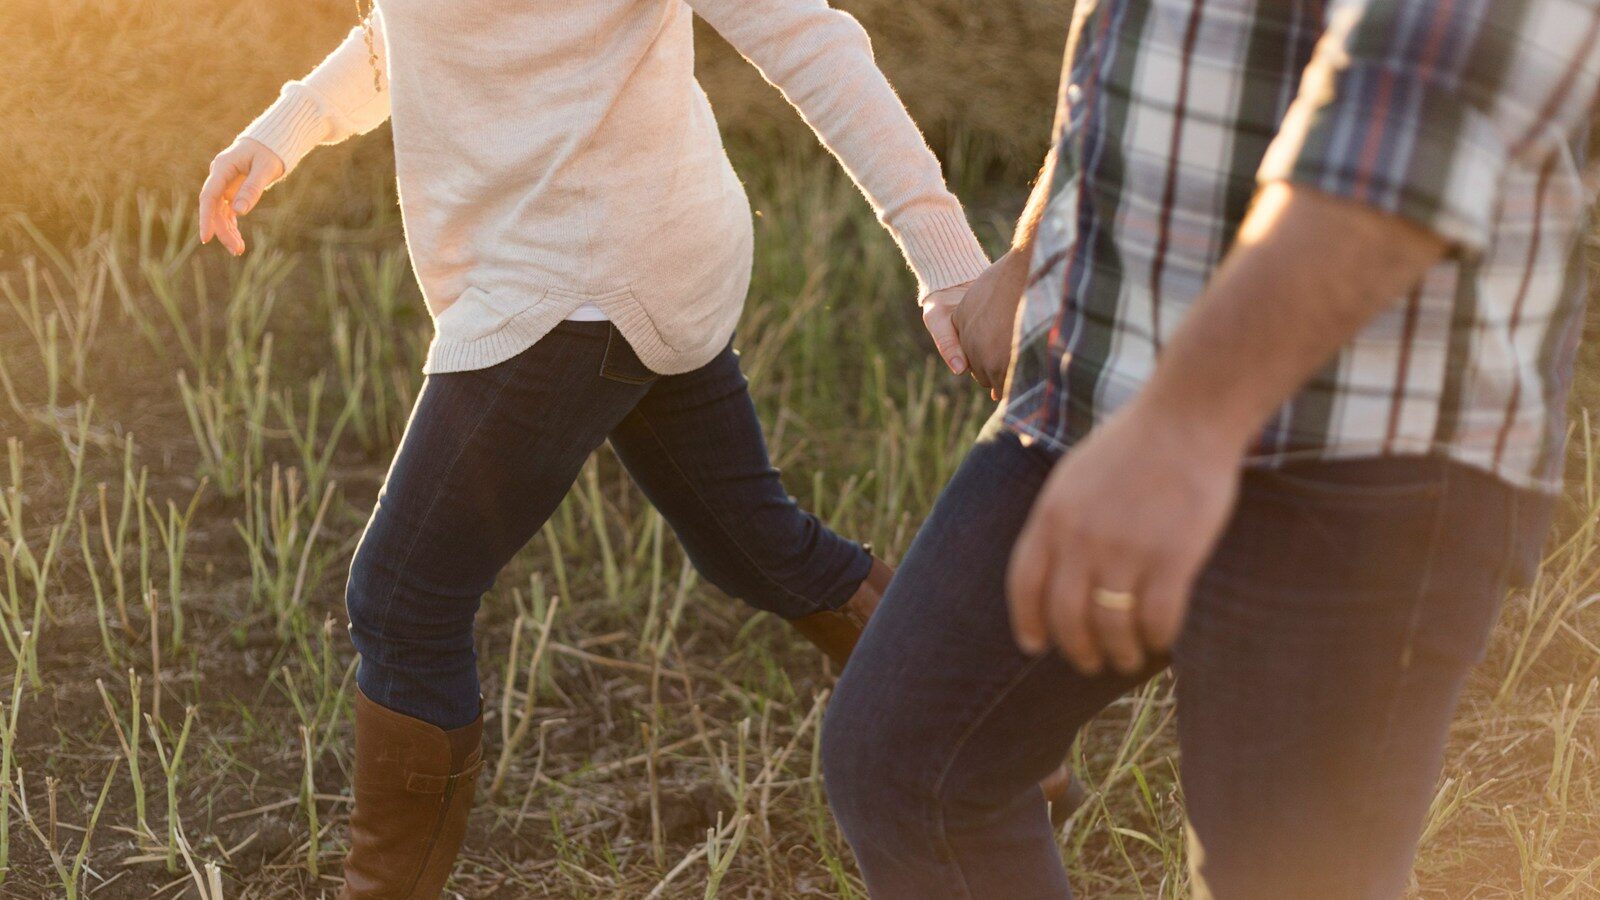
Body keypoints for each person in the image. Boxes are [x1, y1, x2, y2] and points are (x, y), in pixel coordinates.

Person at [195, 1, 1012, 896]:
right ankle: (1005, 749)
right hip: (629, 246)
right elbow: (416, 29)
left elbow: (806, 35)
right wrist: (287, 129)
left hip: (577, 275)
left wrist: (953, 267)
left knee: (401, 599)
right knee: (754, 546)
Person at [821, 1, 1599, 897]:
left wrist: (1185, 426)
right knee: (911, 767)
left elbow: (1419, 121)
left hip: (1365, 441)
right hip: (1106, 379)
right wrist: (1039, 241)